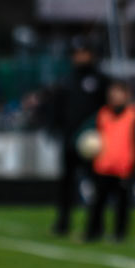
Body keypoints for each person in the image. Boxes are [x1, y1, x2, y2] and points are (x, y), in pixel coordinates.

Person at [47, 43, 105, 236]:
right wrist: (54, 128)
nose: (80, 57)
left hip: (93, 142)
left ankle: (94, 225)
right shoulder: (66, 81)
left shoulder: (100, 80)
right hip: (69, 140)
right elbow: (56, 108)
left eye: (84, 53)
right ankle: (63, 222)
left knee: (96, 185)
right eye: (77, 53)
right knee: (66, 184)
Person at [84, 80, 135, 243]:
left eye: (118, 93)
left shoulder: (133, 115)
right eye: (112, 94)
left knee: (122, 204)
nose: (114, 97)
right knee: (98, 202)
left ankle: (119, 234)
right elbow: (84, 133)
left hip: (124, 167)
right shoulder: (102, 114)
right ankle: (93, 232)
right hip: (103, 165)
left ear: (126, 95)